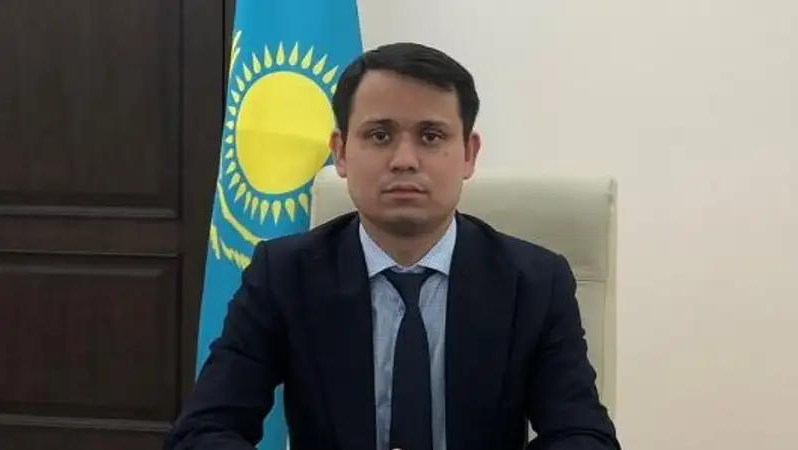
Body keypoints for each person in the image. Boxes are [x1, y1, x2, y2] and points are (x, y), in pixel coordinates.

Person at [164, 42, 621, 450]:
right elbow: (203, 432)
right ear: (341, 152)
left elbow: (583, 436)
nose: (404, 160)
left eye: (431, 136)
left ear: (468, 154)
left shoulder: (535, 283)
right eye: (379, 135)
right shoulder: (283, 274)